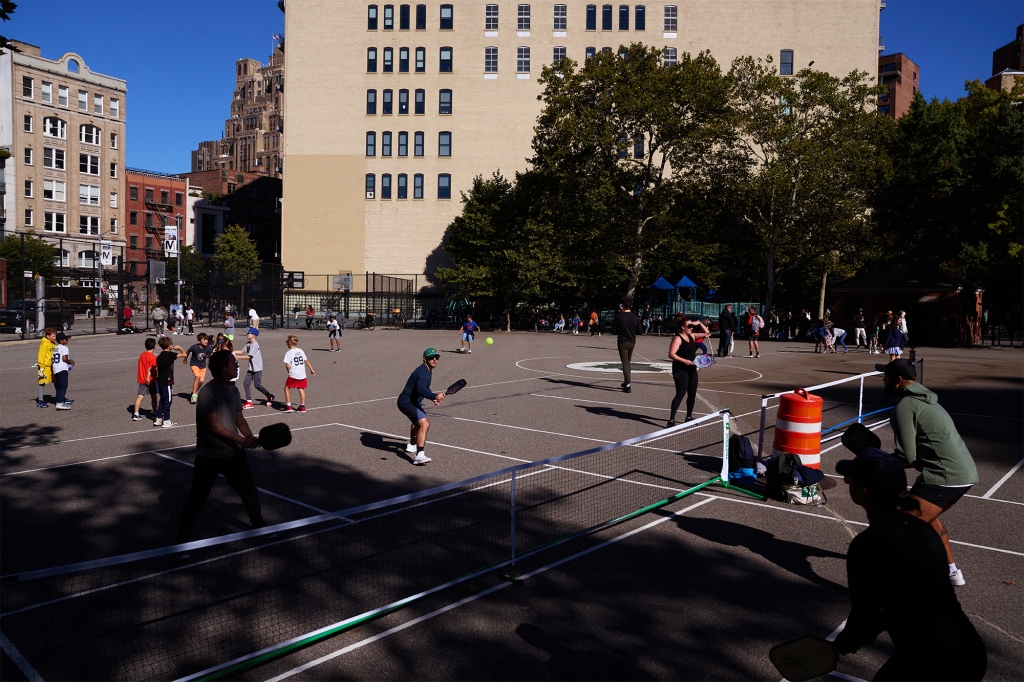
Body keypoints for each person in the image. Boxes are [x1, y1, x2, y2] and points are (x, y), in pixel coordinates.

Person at [831, 447, 986, 680]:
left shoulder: (868, 544)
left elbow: (866, 617)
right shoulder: (923, 530)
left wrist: (840, 645)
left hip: (927, 660)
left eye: (850, 480)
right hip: (968, 651)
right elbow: (909, 600)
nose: (848, 483)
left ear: (861, 492)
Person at [877, 359, 978, 586]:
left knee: (899, 529)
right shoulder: (926, 400)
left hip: (945, 476)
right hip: (963, 474)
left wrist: (878, 463)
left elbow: (906, 456)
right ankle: (952, 572)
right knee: (930, 521)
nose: (883, 379)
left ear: (898, 380)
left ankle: (895, 593)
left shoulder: (905, 406)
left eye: (886, 376)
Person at [175, 350, 267, 545]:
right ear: (223, 368)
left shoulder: (233, 390)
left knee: (249, 492)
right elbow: (213, 425)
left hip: (233, 453)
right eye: (233, 363)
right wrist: (241, 440)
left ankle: (259, 528)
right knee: (197, 499)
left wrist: (249, 436)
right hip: (209, 455)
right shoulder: (207, 393)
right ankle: (181, 542)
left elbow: (239, 418)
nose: (236, 365)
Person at [397, 348, 446, 465]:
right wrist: (434, 395)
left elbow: (425, 388)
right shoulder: (423, 371)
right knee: (424, 423)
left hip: (410, 401)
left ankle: (412, 445)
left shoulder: (427, 370)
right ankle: (419, 455)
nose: (434, 360)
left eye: (436, 358)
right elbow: (421, 389)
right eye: (431, 358)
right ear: (425, 359)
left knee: (417, 421)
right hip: (407, 402)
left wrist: (433, 397)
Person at [667, 316, 709, 426]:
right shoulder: (677, 338)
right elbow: (671, 354)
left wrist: (699, 323)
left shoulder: (692, 336)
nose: (691, 328)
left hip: (691, 368)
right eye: (689, 326)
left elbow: (707, 332)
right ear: (683, 327)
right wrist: (684, 360)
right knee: (680, 393)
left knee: (692, 393)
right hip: (680, 369)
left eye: (692, 326)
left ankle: (688, 416)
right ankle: (671, 419)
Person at [611, 297, 643, 393]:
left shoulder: (619, 317)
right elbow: (640, 331)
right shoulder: (635, 317)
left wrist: (619, 331)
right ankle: (626, 381)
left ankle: (628, 384)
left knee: (625, 363)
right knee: (628, 361)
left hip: (622, 341)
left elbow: (613, 330)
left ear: (623, 306)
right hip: (632, 341)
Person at [154, 336, 186, 427]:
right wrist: (179, 348)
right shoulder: (170, 355)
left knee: (162, 400)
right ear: (169, 345)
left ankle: (158, 418)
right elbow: (184, 355)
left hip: (160, 380)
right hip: (167, 381)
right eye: (171, 344)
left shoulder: (160, 356)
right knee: (168, 401)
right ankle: (167, 420)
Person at [238, 328, 274, 408]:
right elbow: (241, 351)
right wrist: (230, 351)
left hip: (257, 368)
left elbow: (248, 357)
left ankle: (269, 396)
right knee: (246, 383)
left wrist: (236, 357)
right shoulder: (248, 343)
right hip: (251, 368)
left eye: (248, 333)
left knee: (257, 385)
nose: (247, 335)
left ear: (253, 335)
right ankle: (249, 401)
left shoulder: (255, 345)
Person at [282, 334, 315, 413]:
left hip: (294, 374)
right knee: (301, 389)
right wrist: (311, 369)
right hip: (302, 374)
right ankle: (302, 406)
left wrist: (289, 372)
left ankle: (289, 406)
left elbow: (287, 365)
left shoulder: (289, 353)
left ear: (289, 343)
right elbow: (306, 360)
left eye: (287, 342)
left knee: (286, 388)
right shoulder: (300, 350)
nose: (286, 343)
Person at [133, 337, 159, 421]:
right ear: (155, 346)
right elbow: (153, 368)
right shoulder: (153, 357)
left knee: (140, 396)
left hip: (142, 378)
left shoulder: (142, 355)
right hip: (151, 379)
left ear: (145, 346)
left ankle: (136, 413)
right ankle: (154, 412)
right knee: (154, 396)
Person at [184, 333, 211, 404]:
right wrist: (185, 358)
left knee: (201, 381)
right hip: (194, 364)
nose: (206, 341)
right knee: (197, 377)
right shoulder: (194, 347)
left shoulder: (208, 348)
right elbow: (188, 351)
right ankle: (193, 396)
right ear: (199, 341)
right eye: (204, 340)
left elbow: (210, 355)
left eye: (207, 340)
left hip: (203, 366)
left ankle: (194, 392)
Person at [51, 333, 75, 410]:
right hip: (62, 369)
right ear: (61, 340)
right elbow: (64, 358)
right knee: (63, 386)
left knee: (58, 386)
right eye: (65, 339)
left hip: (55, 368)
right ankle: (60, 403)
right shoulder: (64, 348)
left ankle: (59, 401)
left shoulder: (55, 348)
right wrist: (70, 362)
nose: (67, 340)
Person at [36, 328, 57, 408]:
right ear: (48, 336)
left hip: (52, 366)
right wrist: (41, 366)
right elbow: (41, 355)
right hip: (44, 367)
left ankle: (60, 397)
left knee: (56, 381)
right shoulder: (44, 344)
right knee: (42, 382)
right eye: (53, 336)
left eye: (55, 336)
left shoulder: (53, 343)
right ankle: (40, 401)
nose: (54, 337)